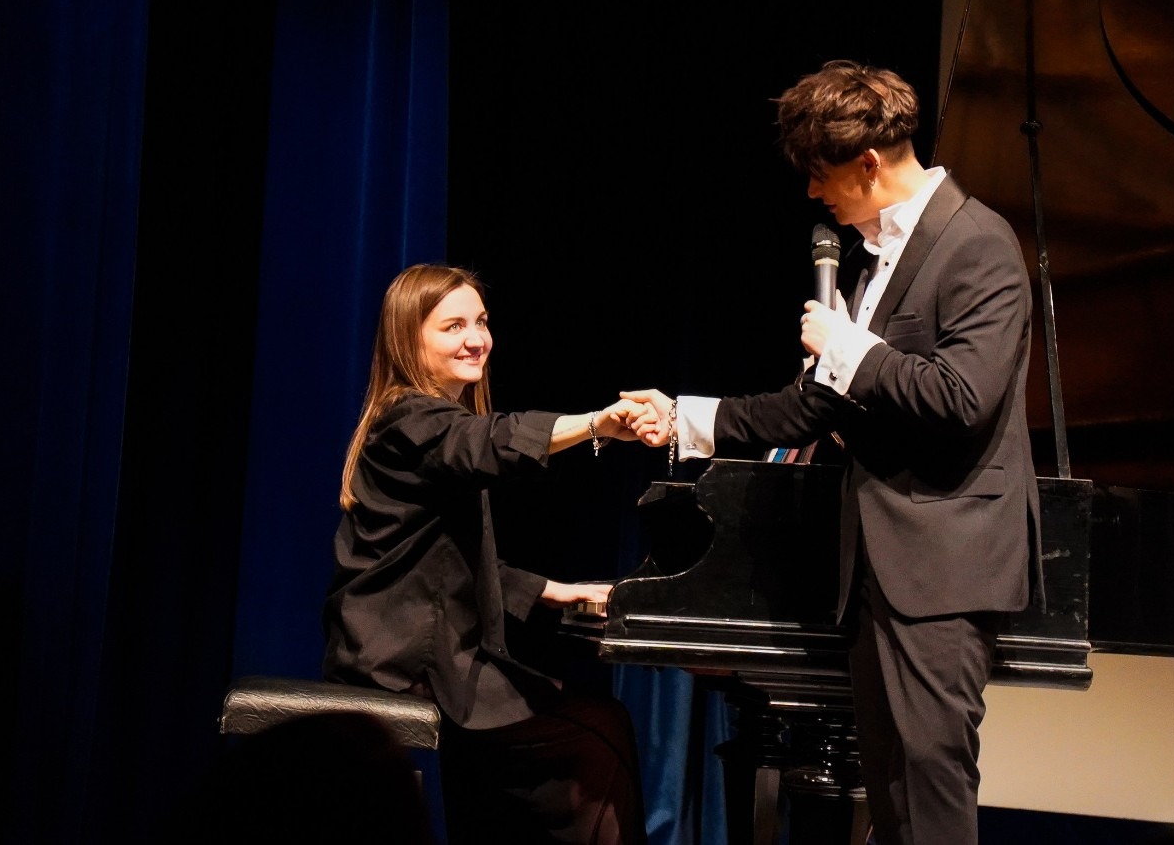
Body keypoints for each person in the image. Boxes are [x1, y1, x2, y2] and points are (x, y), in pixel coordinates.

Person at [623, 60, 1041, 845]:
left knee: (930, 783)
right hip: (878, 563)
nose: (815, 193)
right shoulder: (871, 257)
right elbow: (815, 405)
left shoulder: (978, 242)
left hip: (943, 564)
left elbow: (963, 398)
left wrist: (849, 347)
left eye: (821, 174)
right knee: (890, 786)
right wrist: (682, 417)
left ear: (869, 163)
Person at [322, 263, 652, 845]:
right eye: (453, 326)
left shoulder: (424, 419)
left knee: (596, 730)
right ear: (408, 339)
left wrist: (553, 590)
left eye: (481, 322)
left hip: (424, 660)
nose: (476, 339)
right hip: (405, 670)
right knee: (597, 734)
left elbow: (441, 564)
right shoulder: (410, 419)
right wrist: (596, 424)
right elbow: (490, 441)